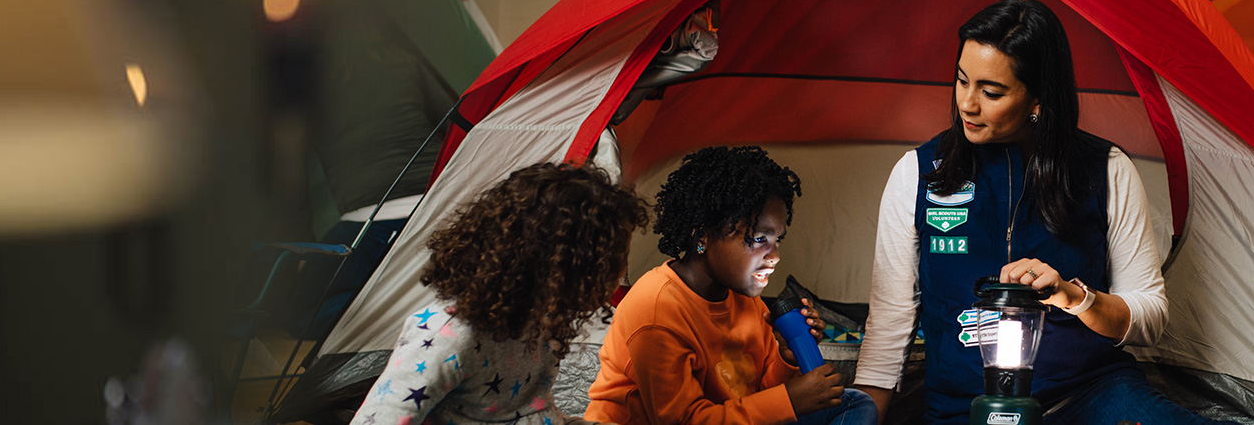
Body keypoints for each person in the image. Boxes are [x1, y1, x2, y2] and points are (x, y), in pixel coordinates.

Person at [855, 0, 1227, 425]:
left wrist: (1077, 298)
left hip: (1090, 396)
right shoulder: (918, 174)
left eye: (991, 92)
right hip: (965, 408)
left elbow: (1149, 317)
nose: (968, 104)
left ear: (1038, 99)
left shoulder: (1105, 169)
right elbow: (888, 330)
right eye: (961, 81)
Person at [583, 146, 876, 425]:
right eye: (759, 239)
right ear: (703, 237)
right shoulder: (657, 309)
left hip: (726, 417)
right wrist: (790, 401)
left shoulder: (746, 300)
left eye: (777, 241)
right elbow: (682, 421)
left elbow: (757, 395)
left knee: (854, 402)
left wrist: (786, 357)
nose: (774, 257)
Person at [351, 162, 650, 425]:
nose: (620, 271)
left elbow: (532, 415)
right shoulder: (447, 337)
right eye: (609, 261)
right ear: (559, 264)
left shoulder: (539, 321)